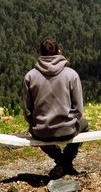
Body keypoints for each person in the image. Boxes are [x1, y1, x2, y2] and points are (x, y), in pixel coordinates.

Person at [22, 37, 87, 178]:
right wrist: (71, 120)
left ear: (40, 54)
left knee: (33, 130)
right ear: (59, 51)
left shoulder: (30, 76)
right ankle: (66, 161)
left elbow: (27, 111)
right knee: (85, 125)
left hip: (41, 131)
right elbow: (79, 109)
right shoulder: (71, 74)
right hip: (67, 130)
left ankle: (59, 159)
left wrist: (36, 122)